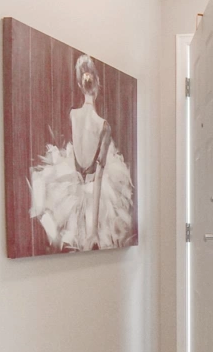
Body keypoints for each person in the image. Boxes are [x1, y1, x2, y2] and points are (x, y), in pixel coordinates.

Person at [29, 54, 134, 251]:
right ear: (98, 84)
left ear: (79, 84)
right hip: (93, 192)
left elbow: (79, 158)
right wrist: (93, 230)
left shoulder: (72, 115)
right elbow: (99, 177)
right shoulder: (103, 125)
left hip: (75, 186)